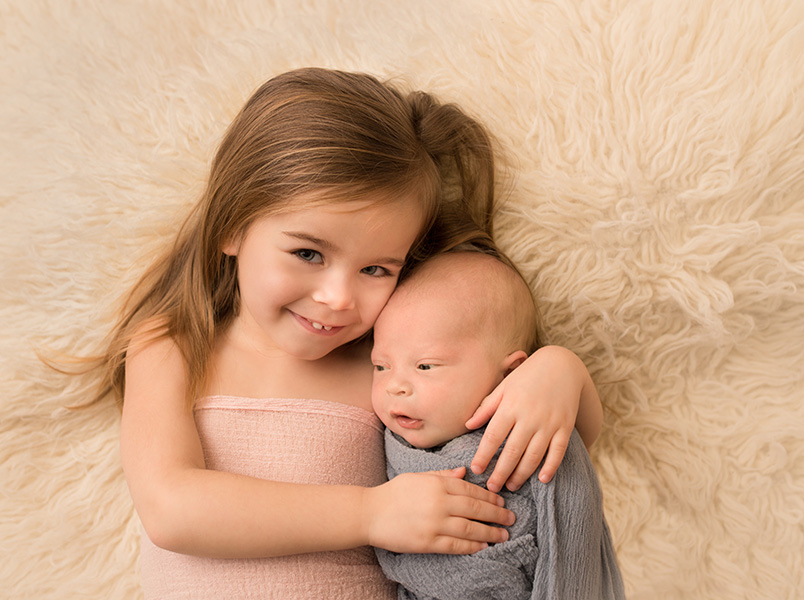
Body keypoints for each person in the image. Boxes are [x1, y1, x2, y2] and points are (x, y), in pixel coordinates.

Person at [77, 67, 603, 598]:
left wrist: (560, 371)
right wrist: (370, 513)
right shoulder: (172, 345)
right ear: (232, 225)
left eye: (376, 269)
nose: (339, 298)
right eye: (308, 253)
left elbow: (535, 450)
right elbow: (173, 509)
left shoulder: (384, 367)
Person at [371, 250, 625, 600]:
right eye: (380, 366)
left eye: (425, 366)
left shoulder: (524, 424)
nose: (393, 386)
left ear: (509, 373)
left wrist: (564, 366)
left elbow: (581, 437)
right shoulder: (390, 441)